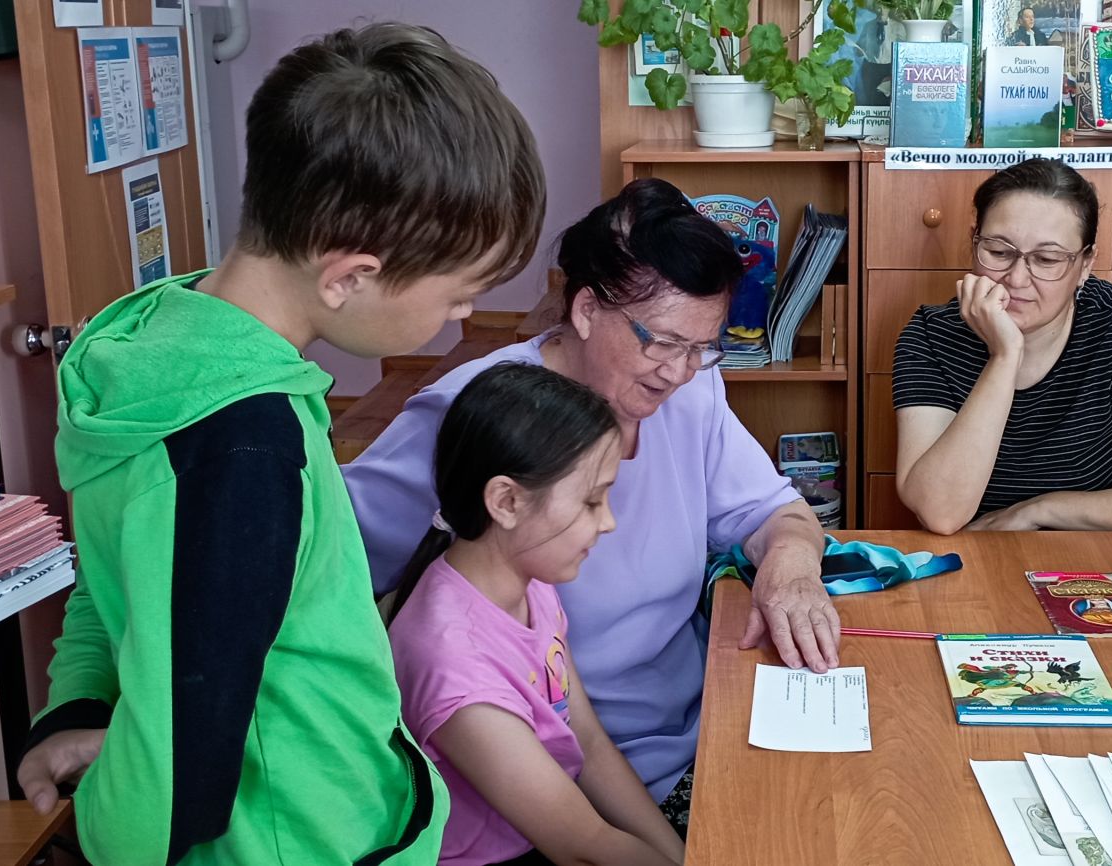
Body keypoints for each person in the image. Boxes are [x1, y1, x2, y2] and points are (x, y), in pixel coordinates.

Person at [12, 23, 544, 864]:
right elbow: (177, 787)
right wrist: (102, 831)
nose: (462, 317)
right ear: (349, 275)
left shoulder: (163, 348)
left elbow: (114, 579)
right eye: (461, 292)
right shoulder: (240, 442)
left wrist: (78, 709)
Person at [344, 178, 837, 830]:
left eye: (702, 347)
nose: (679, 371)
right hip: (555, 784)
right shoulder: (478, 414)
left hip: (705, 723)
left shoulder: (691, 390)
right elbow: (334, 566)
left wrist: (794, 561)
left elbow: (771, 510)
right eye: (661, 342)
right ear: (583, 310)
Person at [390, 363, 683, 866]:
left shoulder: (529, 579)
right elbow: (583, 848)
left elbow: (586, 740)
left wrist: (682, 857)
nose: (608, 521)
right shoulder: (457, 672)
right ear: (506, 501)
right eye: (592, 501)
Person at [892, 158, 1112, 535]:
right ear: (974, 240)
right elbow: (940, 513)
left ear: (1086, 264)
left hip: (1100, 560)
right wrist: (1005, 357)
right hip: (977, 559)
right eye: (998, 251)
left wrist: (1040, 510)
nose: (1017, 278)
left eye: (1047, 259)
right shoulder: (931, 334)